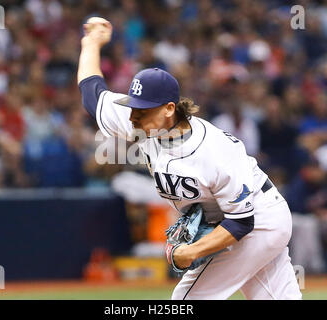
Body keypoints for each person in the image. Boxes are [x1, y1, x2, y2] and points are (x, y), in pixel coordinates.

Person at [77, 17, 301, 300]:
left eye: (143, 111)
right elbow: (91, 93)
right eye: (133, 108)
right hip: (233, 219)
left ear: (169, 109)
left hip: (259, 219)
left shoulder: (215, 152)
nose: (134, 116)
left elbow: (241, 222)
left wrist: (189, 252)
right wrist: (91, 43)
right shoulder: (141, 119)